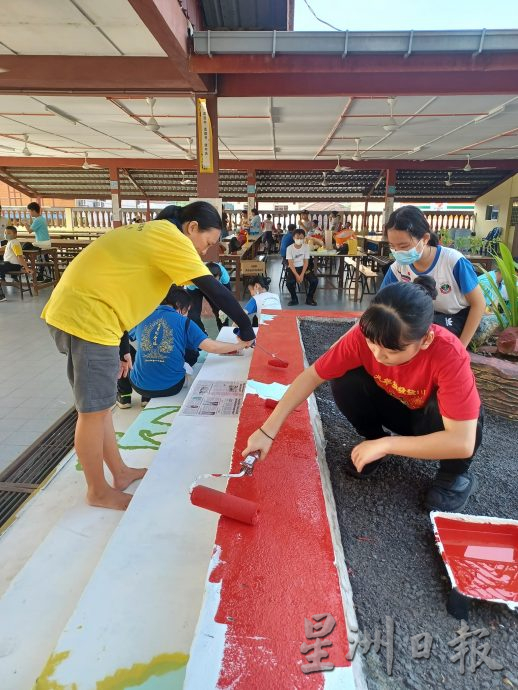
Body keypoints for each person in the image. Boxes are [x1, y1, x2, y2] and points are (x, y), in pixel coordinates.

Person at [42, 201, 255, 511]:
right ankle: (97, 491)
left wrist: (122, 347)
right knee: (92, 412)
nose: (205, 252)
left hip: (93, 315)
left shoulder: (155, 234)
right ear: (192, 227)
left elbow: (119, 284)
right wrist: (247, 331)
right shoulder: (172, 237)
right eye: (207, 242)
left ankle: (120, 473)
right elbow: (215, 291)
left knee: (100, 409)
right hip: (87, 319)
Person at [243, 277, 483, 512]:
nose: (378, 355)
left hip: (432, 424)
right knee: (344, 379)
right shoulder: (363, 336)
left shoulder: (448, 354)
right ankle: (373, 439)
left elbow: (461, 442)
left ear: (426, 340)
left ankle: (454, 475)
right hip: (400, 410)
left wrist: (389, 444)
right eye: (372, 344)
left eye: (391, 351)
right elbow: (312, 376)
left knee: (456, 414)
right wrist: (268, 431)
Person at [117, 286, 246, 408]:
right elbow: (212, 347)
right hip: (172, 386)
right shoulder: (184, 322)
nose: (186, 314)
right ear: (178, 306)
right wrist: (240, 345)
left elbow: (125, 334)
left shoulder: (143, 316)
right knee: (192, 348)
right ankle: (147, 395)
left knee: (123, 349)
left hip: (139, 386)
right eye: (186, 311)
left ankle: (125, 395)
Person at [381, 205, 486, 348]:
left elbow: (478, 304)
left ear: (424, 238)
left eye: (404, 246)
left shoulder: (453, 261)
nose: (398, 252)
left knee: (426, 338)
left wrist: (461, 347)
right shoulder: (398, 267)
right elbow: (381, 303)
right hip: (421, 316)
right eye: (392, 246)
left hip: (453, 318)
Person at [188, 261, 232, 332]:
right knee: (193, 316)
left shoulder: (224, 276)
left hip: (215, 289)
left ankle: (224, 334)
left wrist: (225, 308)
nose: (213, 284)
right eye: (211, 282)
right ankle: (203, 336)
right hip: (196, 289)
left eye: (216, 281)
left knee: (222, 313)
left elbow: (228, 295)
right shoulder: (195, 277)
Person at [285, 229, 318, 306]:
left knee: (314, 280)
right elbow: (291, 264)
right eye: (297, 238)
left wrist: (302, 275)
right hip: (293, 268)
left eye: (301, 238)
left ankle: (309, 298)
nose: (299, 240)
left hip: (304, 268)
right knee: (289, 283)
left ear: (304, 238)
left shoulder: (306, 247)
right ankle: (294, 299)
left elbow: (306, 262)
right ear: (293, 238)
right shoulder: (289, 248)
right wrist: (297, 276)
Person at [0, 226, 32, 302]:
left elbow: (19, 257)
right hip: (9, 264)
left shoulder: (15, 243)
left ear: (15, 234)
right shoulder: (10, 242)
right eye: (5, 233)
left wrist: (26, 268)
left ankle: (1, 295)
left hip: (12, 265)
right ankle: (2, 278)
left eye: (9, 233)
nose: (6, 234)